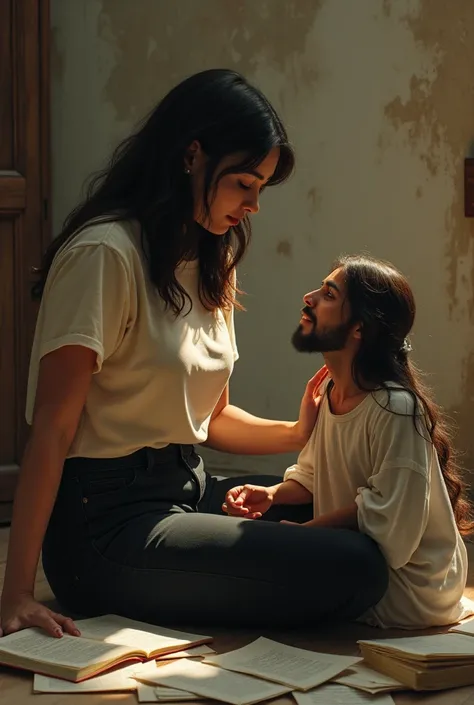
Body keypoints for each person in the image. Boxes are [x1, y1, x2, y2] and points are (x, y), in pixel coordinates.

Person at [0, 70, 388, 639]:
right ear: (191, 156)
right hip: (105, 527)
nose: (253, 205)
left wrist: (299, 432)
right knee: (355, 565)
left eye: (262, 188)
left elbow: (209, 419)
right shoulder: (104, 255)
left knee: (352, 511)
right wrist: (14, 594)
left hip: (188, 486)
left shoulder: (210, 261)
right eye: (243, 184)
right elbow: (53, 431)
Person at [225, 254, 474, 629]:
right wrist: (273, 494)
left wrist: (306, 535)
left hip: (410, 588)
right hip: (352, 554)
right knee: (240, 523)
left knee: (266, 572)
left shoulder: (395, 408)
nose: (308, 298)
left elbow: (388, 523)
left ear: (359, 327)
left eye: (327, 294)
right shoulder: (329, 389)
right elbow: (312, 475)